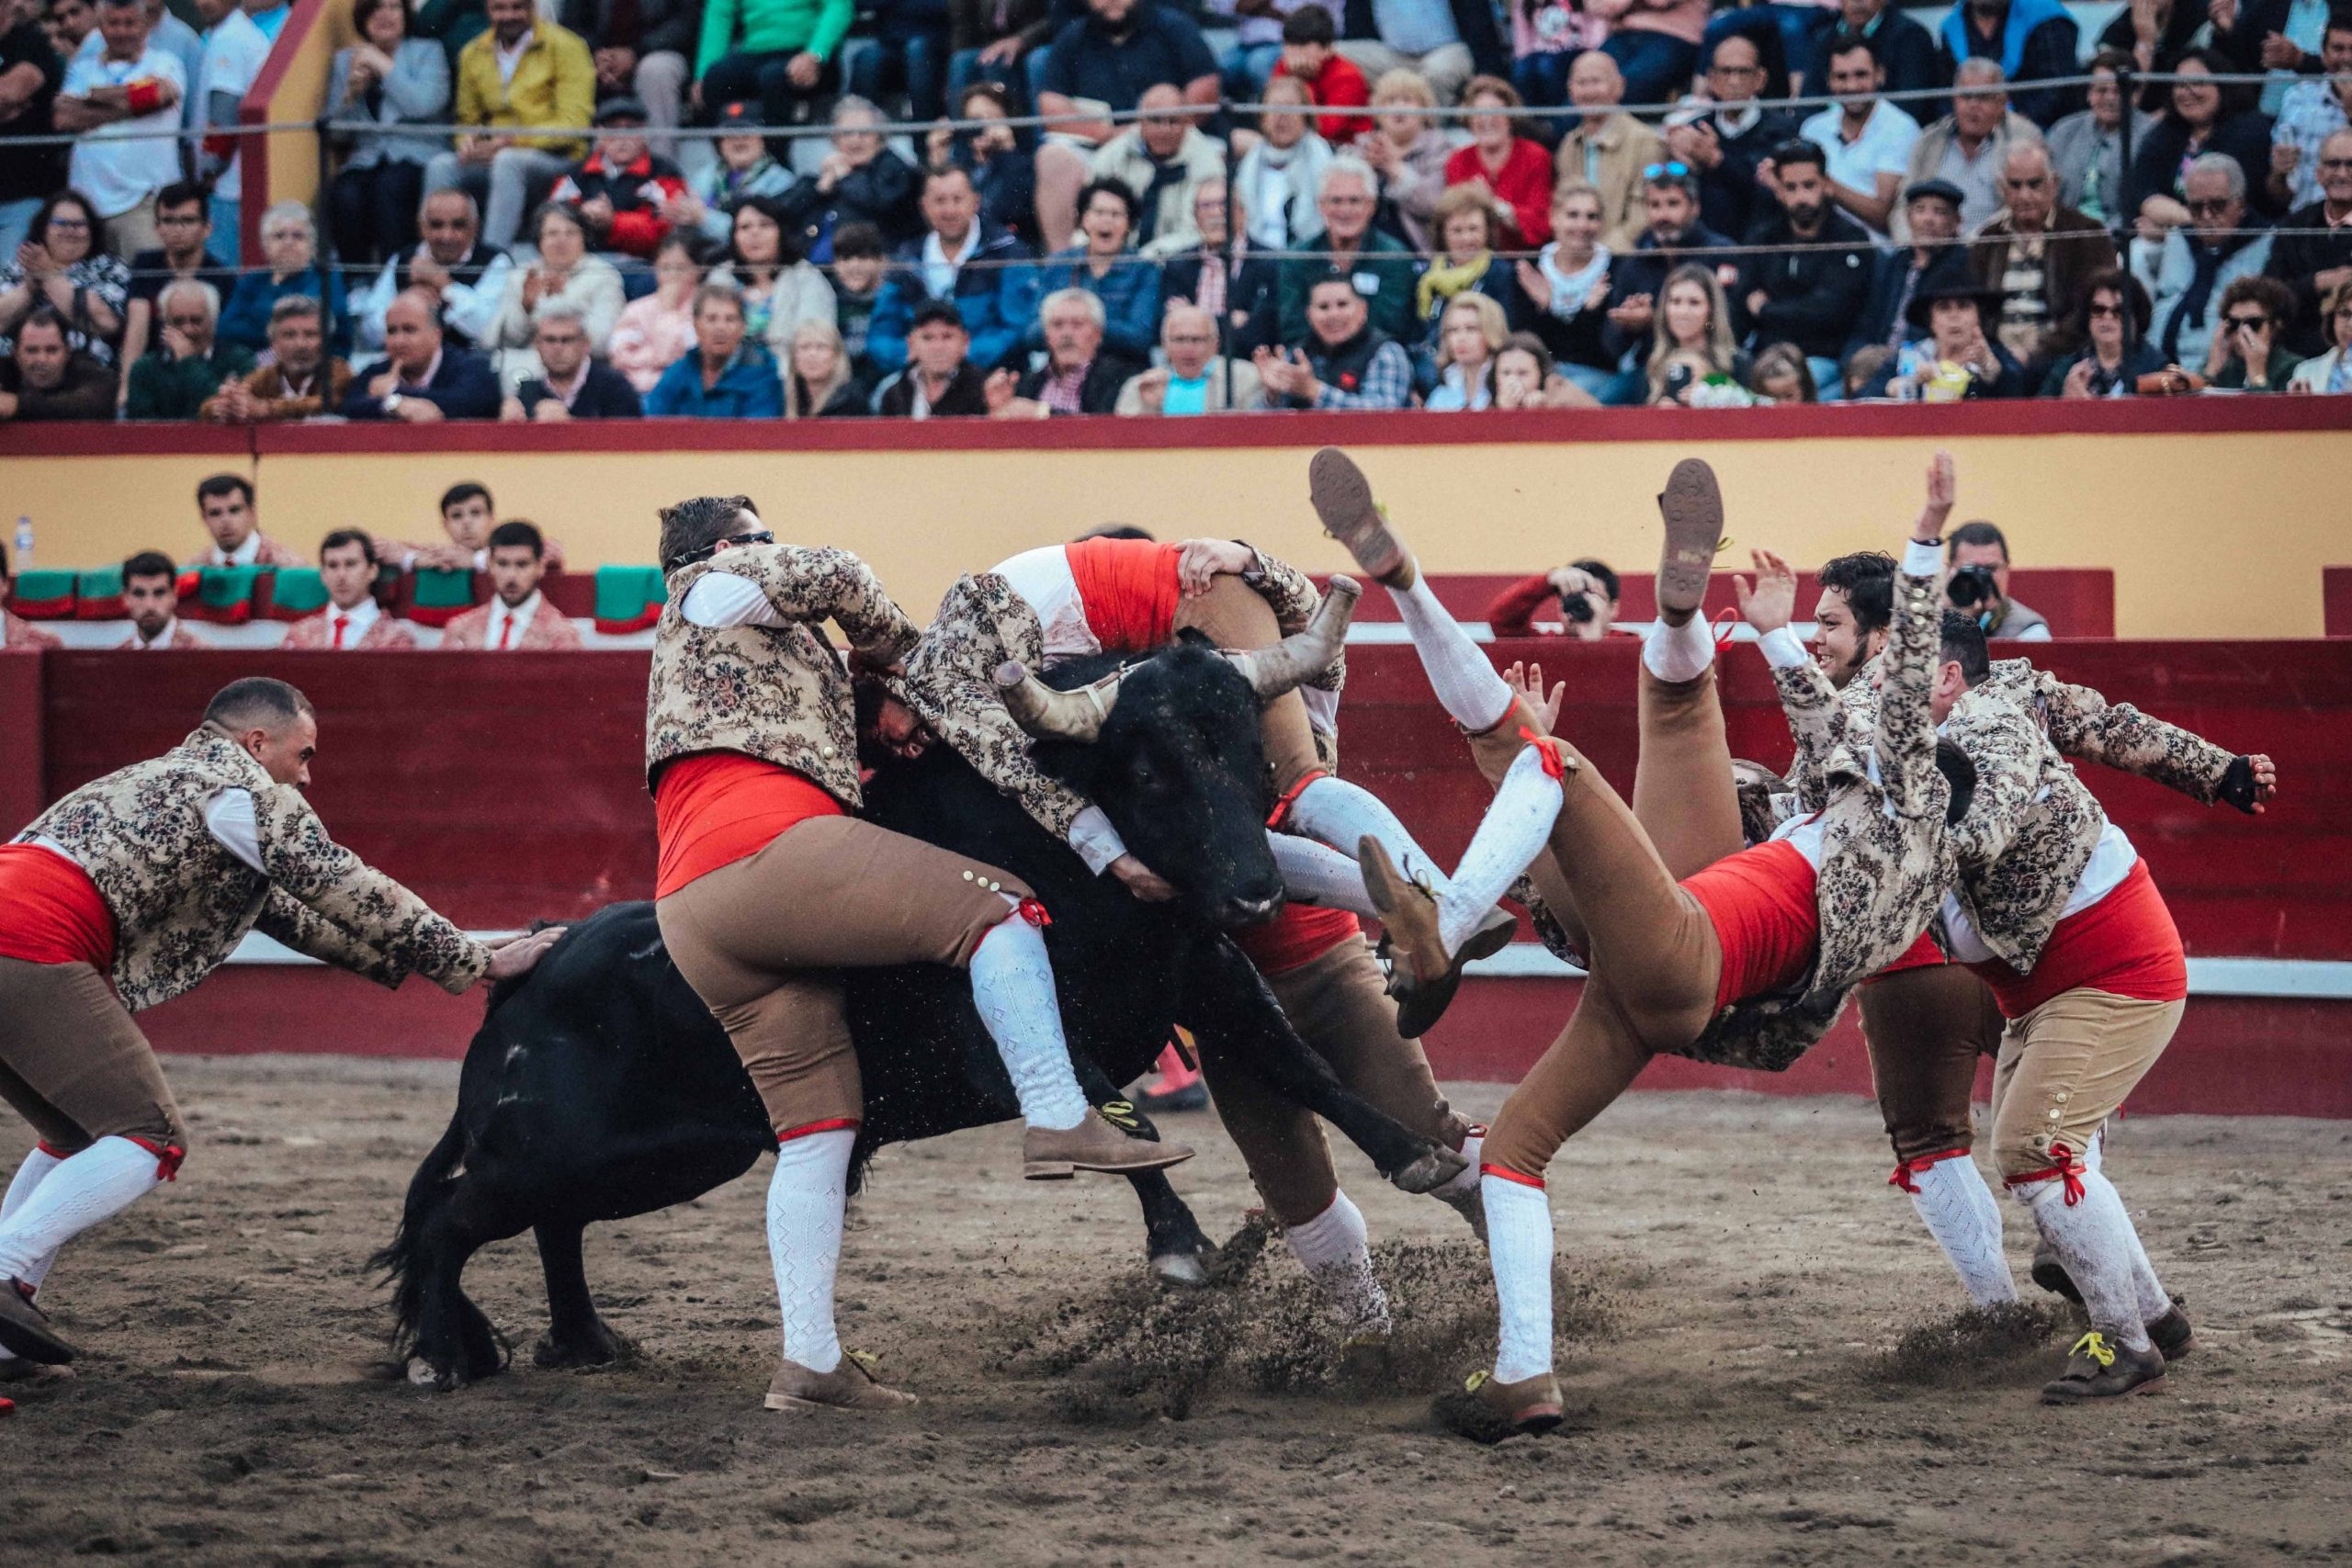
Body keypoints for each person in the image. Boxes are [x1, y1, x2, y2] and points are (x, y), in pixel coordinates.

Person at [1305, 449, 1960, 1434]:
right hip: (1667, 963)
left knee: (1554, 763)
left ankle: (1445, 922)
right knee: (1512, 1149)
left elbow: (1905, 673)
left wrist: (1927, 534)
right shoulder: (1871, 824)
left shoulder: (1901, 787)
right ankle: (1523, 1377)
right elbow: (1860, 711)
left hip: (1692, 948)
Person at [646, 497, 1196, 1411]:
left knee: (820, 1134)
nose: (773, 547)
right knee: (1003, 907)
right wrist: (906, 654)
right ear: (729, 545)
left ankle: (809, 1363)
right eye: (763, 536)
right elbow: (839, 573)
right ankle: (1058, 1111)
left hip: (696, 911)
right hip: (766, 853)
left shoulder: (746, 650)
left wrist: (880, 697)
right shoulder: (709, 584)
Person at [0, 677, 562, 1367]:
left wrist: (462, 957)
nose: (306, 776)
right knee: (148, 1135)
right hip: (29, 942)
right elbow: (343, 883)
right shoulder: (241, 792)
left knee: (80, 1134)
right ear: (257, 743)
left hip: (17, 931)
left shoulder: (158, 782)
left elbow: (302, 919)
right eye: (304, 755)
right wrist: (475, 962)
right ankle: (5, 1270)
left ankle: (7, 1317)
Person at [1032, 0, 1220, 249]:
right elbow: (1050, 105)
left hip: (1178, 143)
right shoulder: (1073, 37)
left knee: (1228, 151)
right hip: (1102, 145)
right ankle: (1065, 263)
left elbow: (1206, 90)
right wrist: (1109, 133)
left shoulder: (1174, 27)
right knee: (1052, 158)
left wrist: (1160, 125)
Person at [424, 0, 596, 248]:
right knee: (441, 166)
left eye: (517, 7)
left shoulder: (567, 46)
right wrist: (468, 143)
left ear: (532, 8)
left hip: (557, 156)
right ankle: (433, 254)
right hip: (496, 152)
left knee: (508, 161)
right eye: (500, 8)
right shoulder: (473, 52)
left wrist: (512, 142)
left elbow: (573, 125)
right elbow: (467, 119)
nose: (509, 15)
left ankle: (494, 256)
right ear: (488, 9)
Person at [866, 164, 1032, 372]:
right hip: (918, 373)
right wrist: (914, 355)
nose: (949, 210)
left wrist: (960, 355)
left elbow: (1017, 327)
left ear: (975, 202)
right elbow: (880, 334)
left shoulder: (1006, 251)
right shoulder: (907, 259)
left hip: (989, 372)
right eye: (940, 201)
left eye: (957, 199)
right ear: (924, 206)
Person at [1969, 141, 2119, 368]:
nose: (2024, 195)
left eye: (2034, 184)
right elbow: (1975, 309)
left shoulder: (2087, 234)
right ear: (2002, 188)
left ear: (2054, 184)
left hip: (2061, 357)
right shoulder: (1987, 239)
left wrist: (2037, 352)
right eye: (2015, 185)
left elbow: (2090, 309)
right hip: (1996, 360)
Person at [1739, 138, 1871, 394]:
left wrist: (1766, 310)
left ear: (1826, 184)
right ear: (1779, 191)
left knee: (1790, 387)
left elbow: (1830, 312)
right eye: (1791, 188)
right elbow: (1742, 301)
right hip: (1764, 356)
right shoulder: (1764, 237)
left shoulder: (1850, 238)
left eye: (1809, 185)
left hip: (1825, 357)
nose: (1801, 197)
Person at [325, 0, 453, 265]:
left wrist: (382, 65)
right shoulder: (346, 60)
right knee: (344, 193)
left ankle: (394, 274)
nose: (385, 15)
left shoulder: (428, 51)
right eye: (376, 9)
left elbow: (423, 104)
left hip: (419, 153)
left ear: (405, 14)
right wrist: (350, 96)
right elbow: (337, 135)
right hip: (368, 158)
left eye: (394, 7)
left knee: (390, 188)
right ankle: (357, 278)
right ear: (363, 18)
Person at [52, 0, 183, 257]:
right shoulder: (82, 69)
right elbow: (63, 119)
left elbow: (158, 94)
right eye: (113, 23)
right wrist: (133, 105)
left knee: (145, 279)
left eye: (130, 23)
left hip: (143, 203)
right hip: (88, 207)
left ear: (145, 25)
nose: (122, 31)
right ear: (101, 26)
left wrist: (92, 97)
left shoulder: (164, 63)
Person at [1598, 164, 1737, 378]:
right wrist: (1627, 326)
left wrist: (1655, 321)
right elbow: (1611, 347)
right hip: (1649, 370)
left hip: (1714, 365)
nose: (1663, 215)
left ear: (1695, 207)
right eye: (1655, 205)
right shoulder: (1633, 264)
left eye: (1673, 204)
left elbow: (1732, 325)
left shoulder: (1721, 254)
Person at [2123, 51, 2277, 240]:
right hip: (2171, 235)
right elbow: (2145, 193)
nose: (2187, 92)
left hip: (2238, 238)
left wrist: (2175, 226)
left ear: (2222, 85)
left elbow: (2237, 204)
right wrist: (2183, 224)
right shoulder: (2164, 132)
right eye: (2180, 85)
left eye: (2197, 83)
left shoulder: (2251, 130)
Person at [1664, 34, 1801, 245]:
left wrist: (1716, 160)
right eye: (1726, 72)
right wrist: (1682, 165)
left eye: (1743, 72)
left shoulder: (1783, 131)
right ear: (1712, 79)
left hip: (1766, 247)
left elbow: (1772, 194)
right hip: (1706, 250)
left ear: (1760, 79)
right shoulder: (1696, 130)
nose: (1734, 81)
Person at [2150, 154, 2277, 370]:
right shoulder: (2179, 239)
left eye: (2217, 206)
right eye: (2196, 207)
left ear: (2240, 204)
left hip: (2228, 365)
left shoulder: (2267, 242)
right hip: (2164, 364)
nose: (2207, 216)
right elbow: (2165, 300)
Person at [1276, 156, 1419, 346]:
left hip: (1375, 354)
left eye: (1354, 201)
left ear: (1371, 205)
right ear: (1321, 205)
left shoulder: (1394, 257)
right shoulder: (1297, 257)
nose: (1345, 210)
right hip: (1312, 354)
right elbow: (1293, 326)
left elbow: (1390, 325)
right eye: (1336, 201)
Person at [352, 187, 514, 355]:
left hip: (472, 362)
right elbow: (370, 332)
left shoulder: (496, 261)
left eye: (458, 225)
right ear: (422, 227)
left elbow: (488, 332)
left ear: (475, 227)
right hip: (408, 363)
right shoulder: (403, 259)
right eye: (437, 225)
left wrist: (445, 285)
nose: (447, 236)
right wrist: (410, 303)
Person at [1898, 59, 2042, 240]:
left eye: (1983, 97)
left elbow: (2023, 206)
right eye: (1966, 96)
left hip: (1996, 247)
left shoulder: (2024, 138)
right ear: (1954, 100)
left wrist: (1973, 245)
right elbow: (1902, 205)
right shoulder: (1929, 140)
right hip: (1932, 249)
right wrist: (1908, 245)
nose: (1973, 105)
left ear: (2001, 102)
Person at [1797, 32, 1919, 240]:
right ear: (1829, 81)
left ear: (1880, 75)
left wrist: (1826, 184)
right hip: (1817, 245)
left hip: (1875, 249)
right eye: (1841, 77)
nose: (1851, 86)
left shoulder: (1901, 129)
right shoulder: (1813, 128)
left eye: (1861, 75)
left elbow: (1884, 215)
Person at [114, 180, 232, 392]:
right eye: (168, 221)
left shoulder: (223, 279)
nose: (177, 230)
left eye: (188, 220)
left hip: (204, 377)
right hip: (152, 375)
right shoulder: (145, 264)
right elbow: (137, 325)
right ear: (157, 228)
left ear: (207, 228)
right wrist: (127, 388)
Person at [1087, 81, 1226, 256]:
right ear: (1140, 121)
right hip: (1118, 255)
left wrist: (1147, 257)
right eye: (1156, 120)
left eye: (1174, 121)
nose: (1165, 129)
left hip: (1177, 258)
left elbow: (1196, 232)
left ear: (1187, 122)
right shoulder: (1113, 156)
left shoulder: (1207, 163)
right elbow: (1091, 212)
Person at [775, 95, 921, 262]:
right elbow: (776, 213)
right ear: (835, 139)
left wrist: (845, 177)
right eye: (847, 133)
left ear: (880, 137)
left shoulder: (894, 168)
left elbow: (882, 204)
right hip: (812, 269)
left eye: (864, 133)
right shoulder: (827, 176)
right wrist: (819, 189)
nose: (855, 140)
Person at [1026, 177, 1159, 361]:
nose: (1107, 220)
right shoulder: (1059, 265)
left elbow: (1140, 337)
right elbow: (1033, 332)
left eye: (1116, 214)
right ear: (1084, 219)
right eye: (1099, 212)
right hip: (1064, 363)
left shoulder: (1144, 269)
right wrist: (1082, 327)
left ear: (1129, 224)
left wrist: (1076, 324)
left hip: (1119, 366)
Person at [192, 0, 287, 249]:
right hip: (245, 179)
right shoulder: (237, 33)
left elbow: (224, 119)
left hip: (229, 183)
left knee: (226, 264)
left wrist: (210, 170)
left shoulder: (230, 38)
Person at [1550, 51, 1666, 253]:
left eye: (1596, 81)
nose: (1588, 91)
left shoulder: (1645, 142)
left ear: (1620, 86)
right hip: (1577, 255)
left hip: (1625, 257)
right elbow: (1562, 206)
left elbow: (1643, 213)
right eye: (1581, 83)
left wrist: (1602, 255)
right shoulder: (1569, 144)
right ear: (1570, 90)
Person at [1845, 177, 1965, 371]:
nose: (1928, 219)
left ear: (1956, 222)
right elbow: (1867, 322)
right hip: (1876, 364)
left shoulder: (1962, 266)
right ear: (1908, 217)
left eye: (1939, 212)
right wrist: (1853, 359)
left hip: (1926, 367)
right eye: (1920, 210)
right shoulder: (1894, 264)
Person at [547, 97, 688, 262]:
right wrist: (581, 216)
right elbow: (551, 219)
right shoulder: (575, 174)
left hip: (643, 266)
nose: (622, 137)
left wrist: (613, 222)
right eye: (613, 129)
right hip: (582, 263)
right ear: (599, 134)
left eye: (631, 129)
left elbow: (664, 232)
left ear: (645, 134)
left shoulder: (665, 172)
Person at [485, 201, 626, 364]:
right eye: (552, 234)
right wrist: (525, 309)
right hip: (526, 365)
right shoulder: (522, 276)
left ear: (583, 238)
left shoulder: (604, 275)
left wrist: (558, 303)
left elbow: (603, 342)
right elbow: (492, 341)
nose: (561, 241)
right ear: (539, 241)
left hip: (581, 367)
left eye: (571, 233)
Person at [0, 190, 129, 367]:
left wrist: (49, 276)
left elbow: (106, 323)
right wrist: (28, 288)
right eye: (60, 223)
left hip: (87, 371)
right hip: (13, 371)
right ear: (44, 228)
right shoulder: (15, 269)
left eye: (79, 224)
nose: (70, 231)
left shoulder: (110, 268)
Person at [710, 195, 838, 371]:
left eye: (765, 225)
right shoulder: (719, 279)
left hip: (788, 377)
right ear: (734, 236)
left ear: (781, 232)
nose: (755, 233)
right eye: (745, 227)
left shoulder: (807, 280)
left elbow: (814, 344)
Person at [1511, 181, 1614, 398]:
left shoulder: (1615, 268)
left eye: (1592, 217)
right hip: (1540, 375)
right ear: (1554, 218)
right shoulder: (1531, 266)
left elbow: (1605, 351)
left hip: (1597, 378)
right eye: (1573, 215)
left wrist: (1587, 314)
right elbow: (1525, 342)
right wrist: (1544, 306)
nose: (1582, 225)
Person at [695, 0, 856, 136]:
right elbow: (719, 15)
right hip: (757, 51)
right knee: (715, 79)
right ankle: (728, 161)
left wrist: (816, 53)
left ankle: (777, 160)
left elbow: (838, 6)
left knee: (773, 78)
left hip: (810, 53)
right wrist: (702, 75)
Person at [341, 287, 505, 420]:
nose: (399, 341)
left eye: (409, 330)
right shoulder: (376, 372)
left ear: (436, 335)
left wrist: (392, 393)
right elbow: (350, 406)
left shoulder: (471, 366)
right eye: (391, 331)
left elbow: (469, 401)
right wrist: (393, 405)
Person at [1159, 180, 1282, 355]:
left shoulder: (1270, 261)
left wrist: (1193, 317)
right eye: (1206, 206)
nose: (1215, 213)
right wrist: (1229, 321)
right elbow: (1170, 330)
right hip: (1189, 363)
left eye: (1224, 204)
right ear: (1195, 217)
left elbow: (1258, 335)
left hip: (1247, 362)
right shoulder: (1178, 263)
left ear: (1242, 212)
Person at [559, 0, 694, 158]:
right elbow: (570, 24)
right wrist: (599, 56)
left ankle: (661, 163)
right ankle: (584, 166)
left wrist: (635, 52)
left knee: (657, 70)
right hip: (598, 56)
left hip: (656, 50)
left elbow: (686, 21)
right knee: (575, 67)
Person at [218, 203, 351, 358]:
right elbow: (225, 328)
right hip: (257, 365)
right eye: (279, 236)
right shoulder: (252, 280)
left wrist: (256, 322)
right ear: (264, 244)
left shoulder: (326, 277)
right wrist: (280, 327)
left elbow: (311, 323)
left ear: (312, 245)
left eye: (298, 236)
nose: (288, 242)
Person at [1260, 274, 1412, 409]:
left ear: (1363, 309)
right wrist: (1273, 397)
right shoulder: (1298, 354)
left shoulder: (1386, 352)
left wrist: (1315, 391)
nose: (1333, 315)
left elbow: (1384, 414)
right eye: (1323, 307)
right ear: (1309, 315)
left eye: (1342, 304)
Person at [1861, 275, 2026, 400]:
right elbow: (1863, 397)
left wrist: (1989, 368)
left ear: (1978, 316)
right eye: (1944, 308)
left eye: (1963, 306)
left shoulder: (1996, 356)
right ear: (1931, 321)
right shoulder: (1910, 356)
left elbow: (2021, 392)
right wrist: (1900, 386)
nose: (1954, 316)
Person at [989, 284, 1142, 416]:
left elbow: (1105, 429)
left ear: (1097, 334)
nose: (1066, 334)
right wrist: (999, 407)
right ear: (1047, 336)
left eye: (1077, 324)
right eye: (1057, 325)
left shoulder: (1121, 379)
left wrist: (1044, 413)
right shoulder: (1028, 383)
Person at [2265, 127, 2352, 355]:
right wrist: (2317, 282)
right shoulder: (2295, 224)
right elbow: (2269, 295)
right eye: (2333, 164)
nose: (2342, 174)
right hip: (2295, 354)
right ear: (2318, 173)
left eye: (2351, 165)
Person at [1354, 66, 1459, 254]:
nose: (1399, 108)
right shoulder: (1363, 147)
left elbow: (1433, 204)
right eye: (1390, 100)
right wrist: (1366, 168)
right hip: (1364, 251)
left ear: (1424, 110)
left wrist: (1393, 167)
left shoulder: (1440, 148)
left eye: (1408, 100)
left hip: (1417, 252)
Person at [643, 278, 784, 417]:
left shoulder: (763, 372)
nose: (720, 328)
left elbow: (759, 427)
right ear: (695, 325)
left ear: (743, 327)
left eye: (730, 319)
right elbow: (653, 420)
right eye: (711, 319)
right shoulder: (680, 370)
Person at [201, 295, 354, 422]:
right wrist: (226, 406)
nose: (300, 344)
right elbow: (207, 407)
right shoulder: (266, 376)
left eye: (310, 334)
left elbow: (327, 402)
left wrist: (265, 409)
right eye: (289, 335)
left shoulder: (339, 371)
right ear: (273, 343)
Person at [2046, 51, 2155, 227]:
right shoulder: (2064, 131)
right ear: (2089, 93)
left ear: (2134, 95)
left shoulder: (2151, 134)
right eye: (2101, 90)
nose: (2110, 98)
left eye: (2119, 91)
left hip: (2125, 234)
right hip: (2064, 232)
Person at [1933, 0, 2079, 130]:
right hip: (1973, 134)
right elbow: (1945, 96)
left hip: (2039, 129)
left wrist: (2009, 126)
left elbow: (2058, 92)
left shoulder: (2046, 18)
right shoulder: (1953, 26)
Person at [1442, 74, 1550, 249]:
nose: (1487, 119)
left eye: (1495, 111)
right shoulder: (1457, 161)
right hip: (1474, 256)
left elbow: (1540, 225)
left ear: (1510, 116)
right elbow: (1454, 220)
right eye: (1478, 113)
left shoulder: (1535, 156)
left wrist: (1494, 205)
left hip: (1526, 255)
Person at [928, 81, 1039, 250]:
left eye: (992, 119)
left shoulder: (1022, 163)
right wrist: (937, 161)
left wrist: (1009, 150)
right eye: (976, 120)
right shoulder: (960, 165)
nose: (984, 127)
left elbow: (1014, 211)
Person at [437, 521, 582, 649]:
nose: (511, 575)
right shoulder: (460, 630)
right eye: (502, 564)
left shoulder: (561, 636)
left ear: (540, 567)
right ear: (489, 564)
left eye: (522, 564)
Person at [671, 98, 795, 247]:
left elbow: (754, 235)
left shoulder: (782, 181)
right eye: (730, 135)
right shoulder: (704, 176)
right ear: (720, 143)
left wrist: (704, 218)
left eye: (746, 134)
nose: (739, 141)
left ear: (762, 139)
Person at [123, 278, 252, 418]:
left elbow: (221, 411)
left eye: (196, 321)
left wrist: (188, 363)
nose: (187, 330)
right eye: (178, 321)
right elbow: (142, 425)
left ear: (213, 320)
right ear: (165, 323)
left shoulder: (239, 360)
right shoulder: (144, 369)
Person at [1232, 73, 1332, 250]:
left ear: (1306, 116)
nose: (1282, 116)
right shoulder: (1248, 163)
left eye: (1290, 107)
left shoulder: (1323, 158)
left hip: (1308, 254)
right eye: (1275, 108)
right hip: (1254, 256)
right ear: (1263, 118)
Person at [2264, 10, 2351, 212]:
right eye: (2338, 48)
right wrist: (2279, 173)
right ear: (2323, 55)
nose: (2347, 58)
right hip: (2305, 223)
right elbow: (2278, 193)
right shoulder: (2298, 98)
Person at [0, 0, 67, 261]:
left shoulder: (31, 41)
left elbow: (10, 92)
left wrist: (10, 98)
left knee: (8, 280)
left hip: (24, 195)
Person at [503, 297, 643, 418]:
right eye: (550, 340)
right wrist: (510, 427)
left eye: (567, 340)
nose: (558, 348)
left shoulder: (614, 387)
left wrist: (569, 426)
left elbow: (631, 437)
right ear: (537, 345)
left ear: (586, 344)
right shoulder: (527, 392)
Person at [1413, 184, 1514, 352]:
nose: (1466, 238)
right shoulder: (1426, 277)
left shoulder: (1502, 274)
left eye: (1473, 229)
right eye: (1457, 231)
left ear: (1487, 231)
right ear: (1443, 234)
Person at [280, 529, 418, 649]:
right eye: (333, 566)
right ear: (323, 575)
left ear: (372, 571)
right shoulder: (299, 635)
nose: (341, 575)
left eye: (350, 564)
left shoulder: (396, 639)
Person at [1115, 299, 1262, 412]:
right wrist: (1147, 408)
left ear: (1215, 344)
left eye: (1197, 339)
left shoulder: (1246, 377)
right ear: (1164, 345)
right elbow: (1122, 438)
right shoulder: (1140, 385)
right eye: (1179, 340)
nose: (1188, 348)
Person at [2039, 269, 2168, 396]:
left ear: (2137, 317)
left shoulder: (2158, 369)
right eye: (2098, 310)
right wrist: (2065, 401)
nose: (2107, 317)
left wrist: (2082, 406)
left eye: (2119, 311)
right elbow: (2040, 408)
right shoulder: (2066, 370)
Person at [1336, 0, 1483, 108]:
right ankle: (1378, 127)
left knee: (1439, 72)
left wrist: (1486, 70)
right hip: (1393, 54)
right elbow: (1356, 25)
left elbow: (1479, 22)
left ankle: (1424, 130)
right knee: (1338, 53)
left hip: (1446, 50)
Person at [607, 230, 703, 392]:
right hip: (639, 388)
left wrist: (668, 312)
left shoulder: (704, 309)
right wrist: (656, 358)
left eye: (681, 268)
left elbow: (690, 356)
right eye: (665, 267)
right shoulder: (637, 309)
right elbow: (619, 355)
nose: (672, 275)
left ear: (697, 271)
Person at [1644, 261, 1747, 402]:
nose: (1683, 312)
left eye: (1694, 303)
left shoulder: (1736, 364)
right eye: (1675, 301)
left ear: (1711, 311)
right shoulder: (1654, 366)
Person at [1801, 0, 1938, 104]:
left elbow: (1911, 104)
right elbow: (1809, 102)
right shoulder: (1823, 38)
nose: (1858, 1)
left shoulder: (1911, 37)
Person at [1272, 6, 1372, 144]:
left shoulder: (1347, 76)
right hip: (1296, 144)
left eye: (1303, 45)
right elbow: (1270, 116)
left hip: (1343, 146)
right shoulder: (1284, 67)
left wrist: (1302, 83)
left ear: (1327, 48)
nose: (1294, 52)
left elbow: (1326, 129)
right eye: (1290, 43)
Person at [875, 296, 989, 414]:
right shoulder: (893, 395)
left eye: (947, 336)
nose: (938, 347)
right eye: (927, 338)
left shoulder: (985, 391)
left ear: (965, 342)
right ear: (911, 345)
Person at [1587, 0, 1704, 109]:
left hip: (1675, 36)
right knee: (1586, 78)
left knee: (1624, 89)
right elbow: (1597, 6)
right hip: (1621, 35)